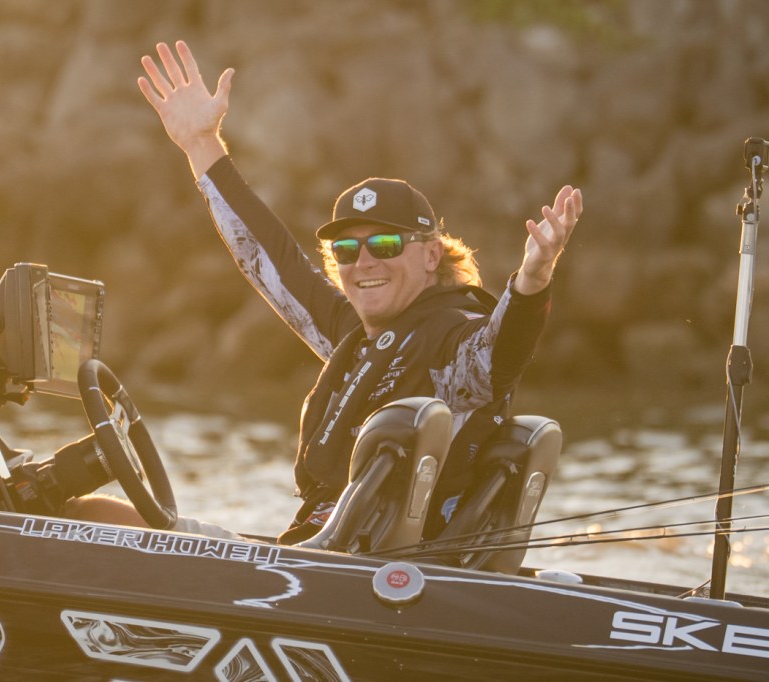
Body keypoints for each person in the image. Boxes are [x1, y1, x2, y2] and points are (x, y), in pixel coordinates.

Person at [66, 41, 582, 544]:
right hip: (308, 558)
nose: (364, 262)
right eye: (347, 251)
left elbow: (501, 351)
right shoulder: (353, 336)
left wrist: (532, 279)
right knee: (85, 513)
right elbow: (269, 259)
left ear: (431, 255)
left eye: (385, 244)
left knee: (79, 519)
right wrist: (201, 144)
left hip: (346, 577)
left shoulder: (456, 347)